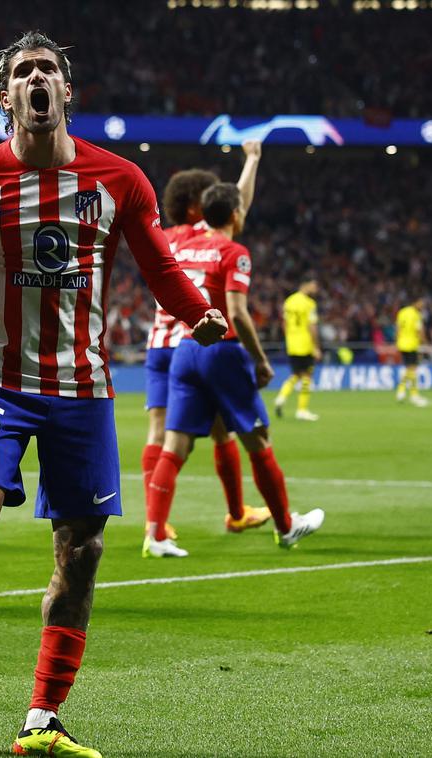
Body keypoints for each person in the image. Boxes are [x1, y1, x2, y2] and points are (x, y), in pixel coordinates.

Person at [0, 32, 227, 758]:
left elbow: (160, 269)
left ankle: (42, 720)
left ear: (67, 91)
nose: (37, 79)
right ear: (5, 96)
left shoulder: (122, 181)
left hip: (84, 388)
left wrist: (198, 311)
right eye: (24, 72)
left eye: (48, 69)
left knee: (82, 552)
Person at [144, 183, 325, 560]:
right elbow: (237, 311)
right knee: (257, 439)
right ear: (236, 215)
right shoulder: (234, 252)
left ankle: (156, 535)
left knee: (175, 443)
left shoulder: (183, 243)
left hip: (184, 347)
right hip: (221, 349)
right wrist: (259, 358)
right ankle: (286, 527)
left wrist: (251, 161)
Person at [143, 144, 270, 542]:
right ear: (198, 207)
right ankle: (233, 513)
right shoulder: (204, 235)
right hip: (191, 341)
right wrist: (252, 161)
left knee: (158, 433)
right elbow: (238, 204)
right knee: (219, 432)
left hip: (158, 343)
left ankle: (157, 524)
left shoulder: (163, 237)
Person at [274, 278, 322, 421]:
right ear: (306, 285)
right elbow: (312, 326)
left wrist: (290, 338)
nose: (316, 289)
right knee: (307, 376)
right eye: (314, 285)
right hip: (305, 343)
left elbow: (284, 324)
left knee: (295, 374)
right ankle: (302, 410)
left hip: (292, 343)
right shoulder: (309, 303)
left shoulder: (289, 301)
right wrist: (316, 346)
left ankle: (281, 397)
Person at [395, 297, 428, 406]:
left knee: (409, 369)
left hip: (402, 343)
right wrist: (425, 343)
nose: (422, 306)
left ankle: (401, 391)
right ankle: (413, 395)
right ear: (416, 302)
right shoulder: (415, 314)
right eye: (421, 303)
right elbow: (419, 330)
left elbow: (398, 328)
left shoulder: (402, 312)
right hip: (411, 344)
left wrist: (398, 341)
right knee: (413, 369)